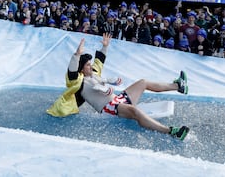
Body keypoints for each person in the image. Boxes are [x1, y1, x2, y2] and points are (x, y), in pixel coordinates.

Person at [47, 33, 190, 141]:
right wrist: (76, 55)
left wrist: (105, 46)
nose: (91, 66)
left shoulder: (94, 73)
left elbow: (99, 61)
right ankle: (171, 132)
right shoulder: (78, 82)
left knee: (143, 82)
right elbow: (71, 72)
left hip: (118, 100)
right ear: (81, 69)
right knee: (134, 111)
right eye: (87, 65)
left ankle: (178, 86)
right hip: (109, 109)